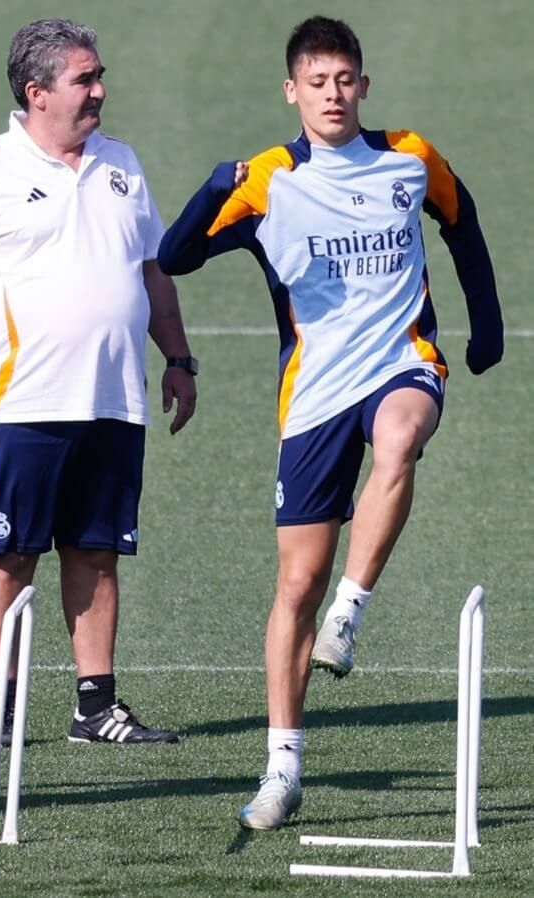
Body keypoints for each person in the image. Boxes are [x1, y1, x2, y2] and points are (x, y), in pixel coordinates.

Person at [157, 16, 504, 829]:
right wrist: (212, 189)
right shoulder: (268, 178)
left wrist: (483, 323)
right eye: (316, 82)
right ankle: (282, 767)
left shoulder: (409, 157)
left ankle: (350, 611)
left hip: (400, 364)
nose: (332, 94)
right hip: (312, 393)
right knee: (291, 585)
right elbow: (175, 257)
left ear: (363, 84)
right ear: (292, 90)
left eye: (344, 79)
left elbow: (465, 223)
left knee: (399, 438)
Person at [0, 19, 197, 748]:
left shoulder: (121, 163)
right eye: (84, 79)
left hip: (112, 398)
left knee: (95, 552)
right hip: (18, 401)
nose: (99, 89)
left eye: (98, 76)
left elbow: (151, 270)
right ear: (36, 92)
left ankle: (95, 708)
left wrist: (179, 359)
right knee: (8, 552)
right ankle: (3, 709)